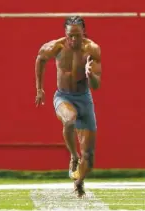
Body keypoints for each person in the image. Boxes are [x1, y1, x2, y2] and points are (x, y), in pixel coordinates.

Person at [34, 16, 102, 198]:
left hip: (84, 98)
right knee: (69, 119)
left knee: (89, 156)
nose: (74, 40)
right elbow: (40, 59)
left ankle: (79, 183)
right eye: (70, 36)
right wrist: (39, 88)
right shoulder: (56, 47)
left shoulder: (92, 50)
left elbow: (97, 85)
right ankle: (73, 156)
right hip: (63, 96)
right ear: (65, 34)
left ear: (83, 33)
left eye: (77, 36)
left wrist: (90, 75)